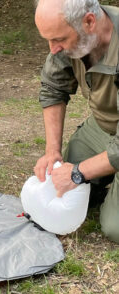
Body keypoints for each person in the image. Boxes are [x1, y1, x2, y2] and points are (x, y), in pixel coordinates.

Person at [34, 0, 119, 243]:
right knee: (60, 186)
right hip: (104, 127)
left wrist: (79, 172)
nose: (53, 49)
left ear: (89, 22)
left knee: (115, 227)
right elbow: (53, 88)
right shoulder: (71, 40)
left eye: (58, 39)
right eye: (48, 40)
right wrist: (52, 152)